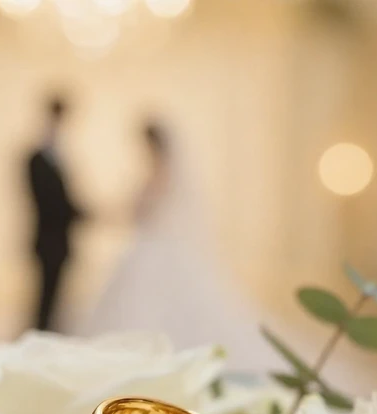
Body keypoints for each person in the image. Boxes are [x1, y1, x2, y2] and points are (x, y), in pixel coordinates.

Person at [76, 120, 274, 368]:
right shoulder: (160, 172)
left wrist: (101, 213)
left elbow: (141, 209)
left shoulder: (161, 174)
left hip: (155, 246)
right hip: (151, 244)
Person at [26, 95, 84, 331]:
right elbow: (52, 203)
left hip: (60, 240)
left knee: (55, 299)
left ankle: (47, 335)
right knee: (45, 299)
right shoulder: (36, 158)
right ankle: (39, 339)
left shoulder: (59, 156)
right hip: (48, 240)